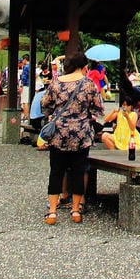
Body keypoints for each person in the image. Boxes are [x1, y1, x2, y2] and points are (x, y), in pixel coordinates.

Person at [40, 52, 104, 224]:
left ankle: (52, 212)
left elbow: (45, 105)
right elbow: (98, 108)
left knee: (56, 171)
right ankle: (75, 210)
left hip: (59, 133)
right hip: (81, 134)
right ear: (85, 67)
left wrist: (55, 115)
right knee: (78, 170)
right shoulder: (89, 83)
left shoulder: (56, 82)